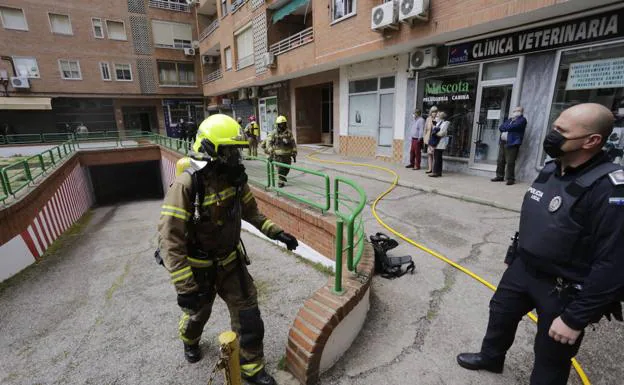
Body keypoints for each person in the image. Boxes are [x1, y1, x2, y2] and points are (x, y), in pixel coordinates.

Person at [457, 103, 624, 385]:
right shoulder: (550, 169)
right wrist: (514, 252)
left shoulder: (609, 188)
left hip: (565, 286)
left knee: (552, 355)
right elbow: (535, 214)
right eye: (554, 127)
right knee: (501, 313)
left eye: (561, 131)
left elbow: (614, 263)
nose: (552, 135)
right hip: (524, 267)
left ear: (592, 140)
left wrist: (575, 318)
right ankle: (491, 357)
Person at [158, 114, 299, 385]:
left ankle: (251, 367)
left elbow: (252, 213)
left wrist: (277, 232)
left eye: (237, 150)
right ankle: (190, 340)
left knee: (249, 315)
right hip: (198, 268)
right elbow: (169, 239)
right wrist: (185, 287)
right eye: (229, 150)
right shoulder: (188, 185)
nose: (235, 156)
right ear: (211, 150)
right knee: (198, 314)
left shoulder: (234, 180)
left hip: (230, 261)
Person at [492, 107, 527, 186]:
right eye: (514, 111)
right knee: (500, 160)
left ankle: (510, 179)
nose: (515, 112)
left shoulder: (522, 120)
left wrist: (507, 128)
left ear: (521, 112)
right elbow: (501, 127)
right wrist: (507, 127)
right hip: (503, 142)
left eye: (518, 111)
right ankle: (499, 176)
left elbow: (514, 127)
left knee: (510, 161)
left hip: (512, 143)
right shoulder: (510, 120)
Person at [262, 115, 297, 188]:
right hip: (278, 156)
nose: (282, 125)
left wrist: (294, 151)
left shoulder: (289, 132)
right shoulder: (274, 133)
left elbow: (293, 142)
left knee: (287, 169)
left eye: (283, 123)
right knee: (281, 169)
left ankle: (282, 179)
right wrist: (271, 151)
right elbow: (269, 143)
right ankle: (280, 182)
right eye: (280, 124)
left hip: (287, 155)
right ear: (277, 124)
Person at [428, 111, 449, 178]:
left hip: (440, 143)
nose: (436, 117)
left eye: (437, 116)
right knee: (438, 158)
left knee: (437, 158)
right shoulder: (438, 123)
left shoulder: (445, 123)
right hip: (437, 142)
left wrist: (435, 133)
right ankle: (438, 172)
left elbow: (442, 133)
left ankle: (435, 172)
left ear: (441, 117)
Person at [423, 106, 438, 174]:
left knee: (434, 155)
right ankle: (430, 168)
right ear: (430, 112)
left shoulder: (438, 119)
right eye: (433, 112)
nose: (434, 113)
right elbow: (425, 129)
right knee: (429, 154)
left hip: (435, 140)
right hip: (429, 139)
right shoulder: (428, 119)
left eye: (435, 112)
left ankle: (434, 169)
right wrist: (424, 138)